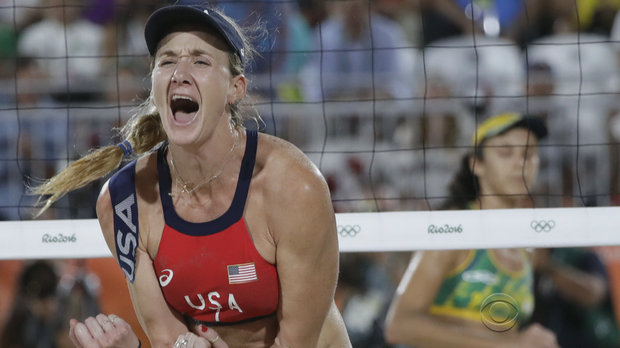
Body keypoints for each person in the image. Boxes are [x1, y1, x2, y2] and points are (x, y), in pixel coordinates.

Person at [33, 4, 350, 348]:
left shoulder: (293, 186)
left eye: (200, 61)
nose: (179, 73)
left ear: (236, 88)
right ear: (153, 83)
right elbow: (169, 338)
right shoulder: (123, 202)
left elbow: (296, 343)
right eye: (167, 61)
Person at [384, 113, 560, 348]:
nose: (520, 163)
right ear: (476, 164)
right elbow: (399, 326)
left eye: (529, 154)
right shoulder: (454, 229)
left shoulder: (527, 243)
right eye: (505, 153)